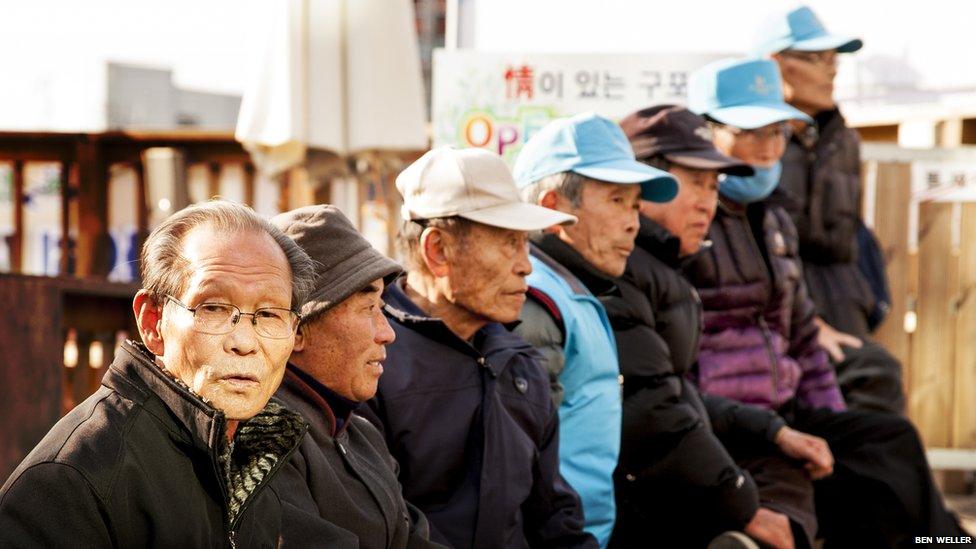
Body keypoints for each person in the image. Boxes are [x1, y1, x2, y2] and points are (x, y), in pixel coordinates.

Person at [684, 57, 970, 546]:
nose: (770, 149)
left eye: (779, 133)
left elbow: (803, 338)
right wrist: (770, 429)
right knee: (860, 486)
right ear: (704, 134)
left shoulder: (774, 222)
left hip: (784, 411)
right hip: (727, 420)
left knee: (888, 443)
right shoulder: (688, 223)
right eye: (753, 132)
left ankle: (948, 541)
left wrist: (828, 422)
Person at [0, 200, 316, 547]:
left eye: (269, 314)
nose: (244, 342)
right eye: (213, 308)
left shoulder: (257, 453)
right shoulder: (72, 480)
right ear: (153, 322)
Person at [611, 104, 833, 549]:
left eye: (714, 187)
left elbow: (675, 396)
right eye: (695, 182)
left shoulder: (666, 267)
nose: (707, 202)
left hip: (710, 433)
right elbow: (652, 409)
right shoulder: (623, 271)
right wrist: (743, 507)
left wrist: (772, 429)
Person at [365, 147, 596, 549]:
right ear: (438, 251)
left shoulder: (520, 363)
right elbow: (375, 527)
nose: (526, 265)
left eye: (526, 244)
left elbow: (555, 519)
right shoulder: (368, 358)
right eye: (509, 243)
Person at [512, 112, 679, 547]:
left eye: (636, 205)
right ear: (551, 209)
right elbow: (517, 462)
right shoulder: (534, 299)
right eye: (616, 200)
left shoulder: (570, 290)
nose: (634, 222)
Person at [753, 5, 904, 414]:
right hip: (784, 298)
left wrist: (867, 297)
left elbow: (849, 232)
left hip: (842, 297)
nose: (831, 70)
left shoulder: (844, 138)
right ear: (774, 64)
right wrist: (805, 320)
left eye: (834, 59)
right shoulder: (751, 141)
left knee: (873, 398)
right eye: (817, 58)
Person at [270, 205, 442, 548]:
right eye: (368, 309)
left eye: (382, 307)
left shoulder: (361, 433)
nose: (387, 333)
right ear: (296, 330)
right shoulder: (268, 441)